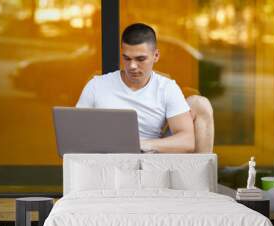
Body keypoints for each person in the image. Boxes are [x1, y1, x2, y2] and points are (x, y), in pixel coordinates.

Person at [76, 23, 214, 153]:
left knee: (200, 103)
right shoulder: (96, 85)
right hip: (106, 158)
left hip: (151, 157)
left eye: (140, 59)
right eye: (127, 58)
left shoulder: (166, 87)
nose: (132, 66)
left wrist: (143, 144)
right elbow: (75, 133)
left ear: (156, 56)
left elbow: (187, 141)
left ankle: (202, 178)